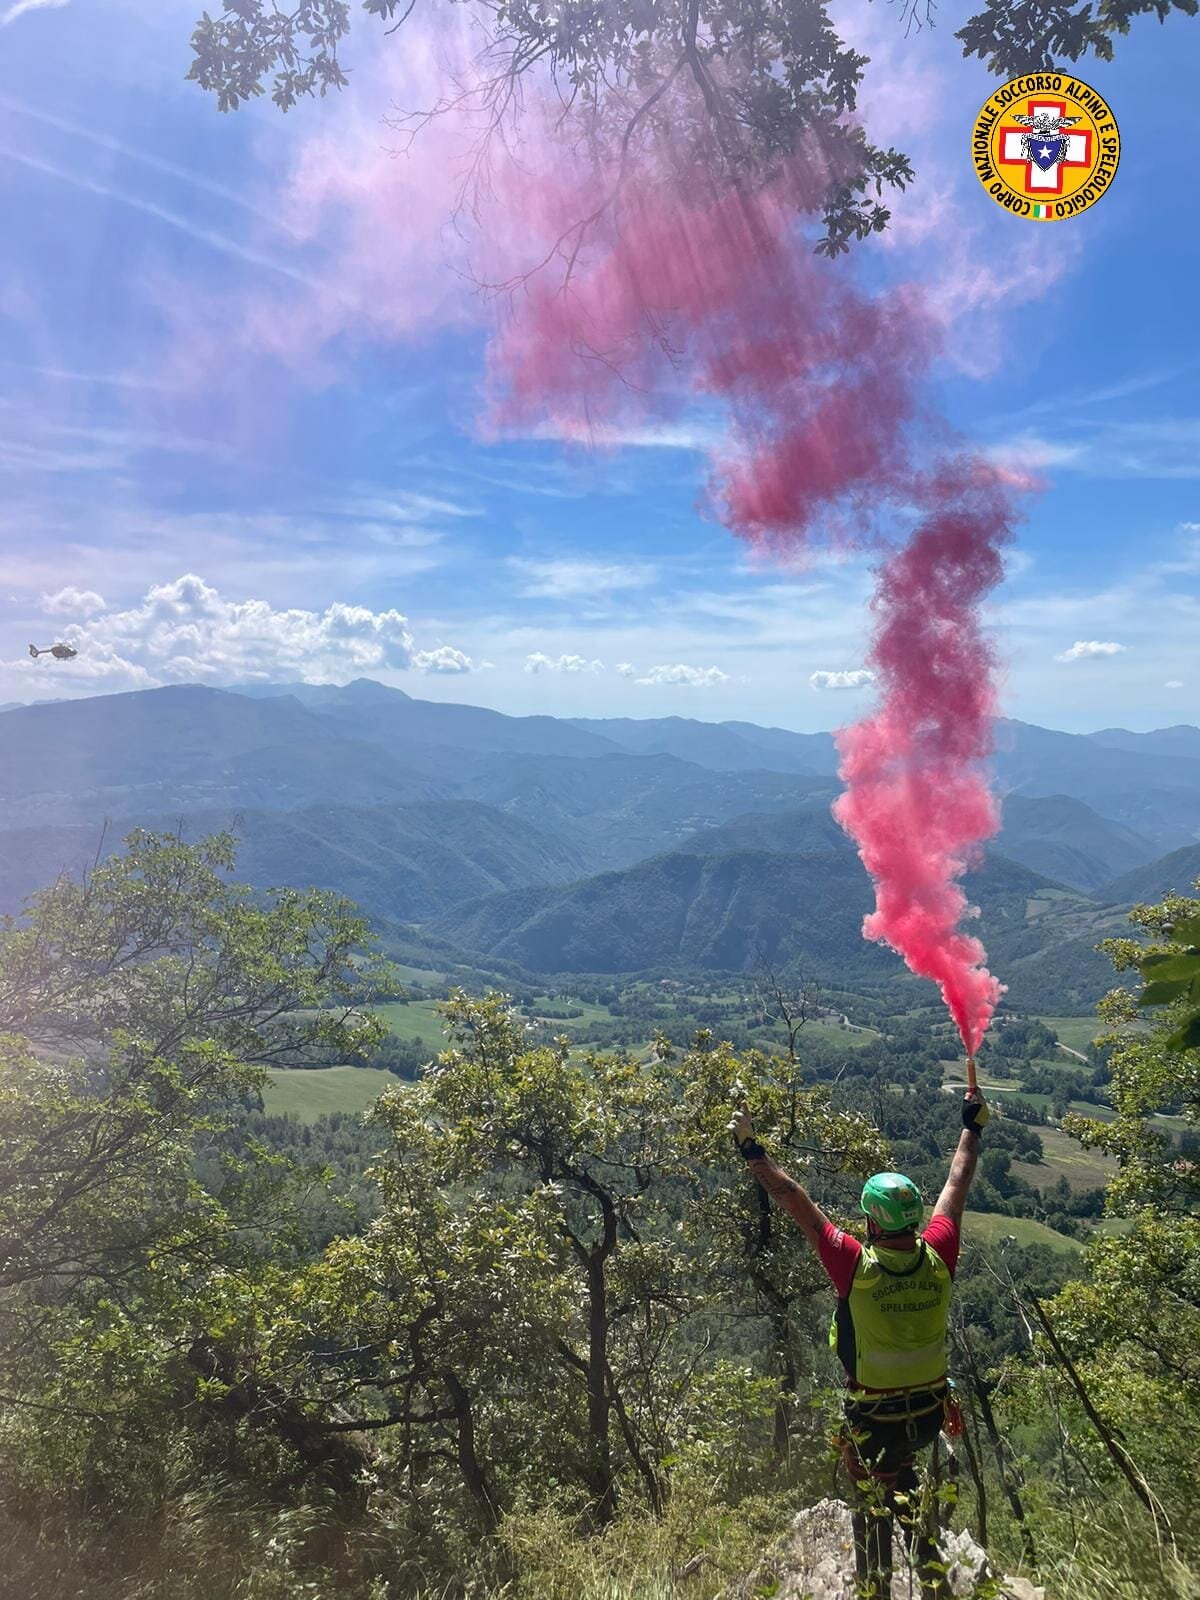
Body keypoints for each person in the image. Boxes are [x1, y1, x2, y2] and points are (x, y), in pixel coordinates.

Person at [729, 1087, 990, 1598]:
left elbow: (793, 1198)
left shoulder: (856, 1264)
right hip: (928, 1416)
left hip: (876, 1420)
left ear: (871, 1221)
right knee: (904, 1478)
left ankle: (875, 1587)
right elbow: (957, 1182)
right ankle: (930, 1570)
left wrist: (752, 1150)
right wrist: (972, 1125)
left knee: (872, 1502)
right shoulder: (939, 1253)